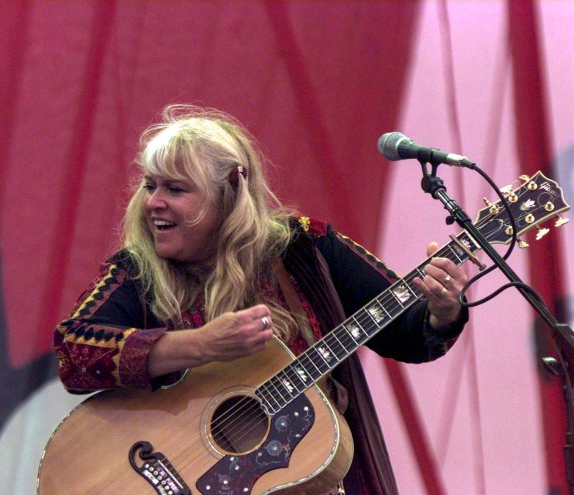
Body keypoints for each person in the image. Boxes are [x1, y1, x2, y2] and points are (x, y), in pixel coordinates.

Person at [54, 104, 469, 495]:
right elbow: (73, 354)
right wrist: (198, 345)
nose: (153, 203)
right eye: (150, 186)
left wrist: (442, 310)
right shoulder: (136, 271)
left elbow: (409, 334)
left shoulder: (307, 249)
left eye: (175, 189)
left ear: (230, 195)